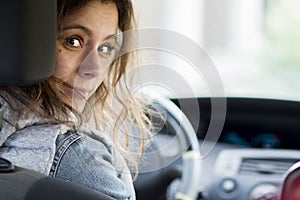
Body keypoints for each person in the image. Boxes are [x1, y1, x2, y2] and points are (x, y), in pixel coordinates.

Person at [0, 0, 154, 199]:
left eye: (105, 48)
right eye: (73, 41)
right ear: (25, 40)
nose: (95, 69)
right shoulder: (76, 158)